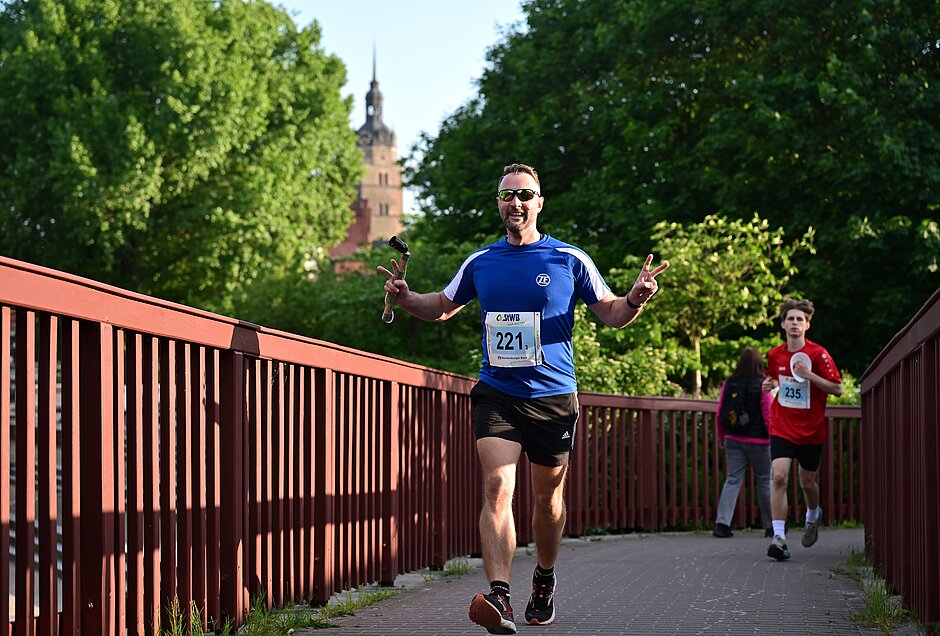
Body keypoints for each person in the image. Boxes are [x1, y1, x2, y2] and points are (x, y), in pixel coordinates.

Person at [379, 163, 669, 634]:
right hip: (498, 392)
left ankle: (545, 579)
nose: (515, 202)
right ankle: (499, 597)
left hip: (554, 397)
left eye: (524, 195)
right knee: (497, 486)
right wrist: (407, 297)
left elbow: (613, 313)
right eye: (507, 195)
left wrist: (636, 298)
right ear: (498, 203)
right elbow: (442, 306)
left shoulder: (569, 259)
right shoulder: (481, 262)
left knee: (548, 500)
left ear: (539, 203)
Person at [761, 297, 842, 561]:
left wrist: (810, 376)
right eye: (790, 319)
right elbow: (775, 380)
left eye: (800, 319)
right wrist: (769, 384)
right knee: (779, 477)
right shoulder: (775, 354)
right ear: (783, 324)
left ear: (807, 325)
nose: (795, 323)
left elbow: (837, 389)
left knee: (807, 482)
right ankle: (779, 537)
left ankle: (812, 514)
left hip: (811, 430)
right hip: (782, 425)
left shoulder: (818, 354)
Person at [712, 347, 773, 539]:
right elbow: (768, 414)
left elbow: (720, 411)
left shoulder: (729, 383)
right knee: (765, 481)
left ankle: (722, 524)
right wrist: (774, 438)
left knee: (732, 480)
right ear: (759, 363)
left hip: (733, 439)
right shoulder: (763, 383)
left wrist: (723, 437)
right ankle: (772, 526)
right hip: (759, 441)